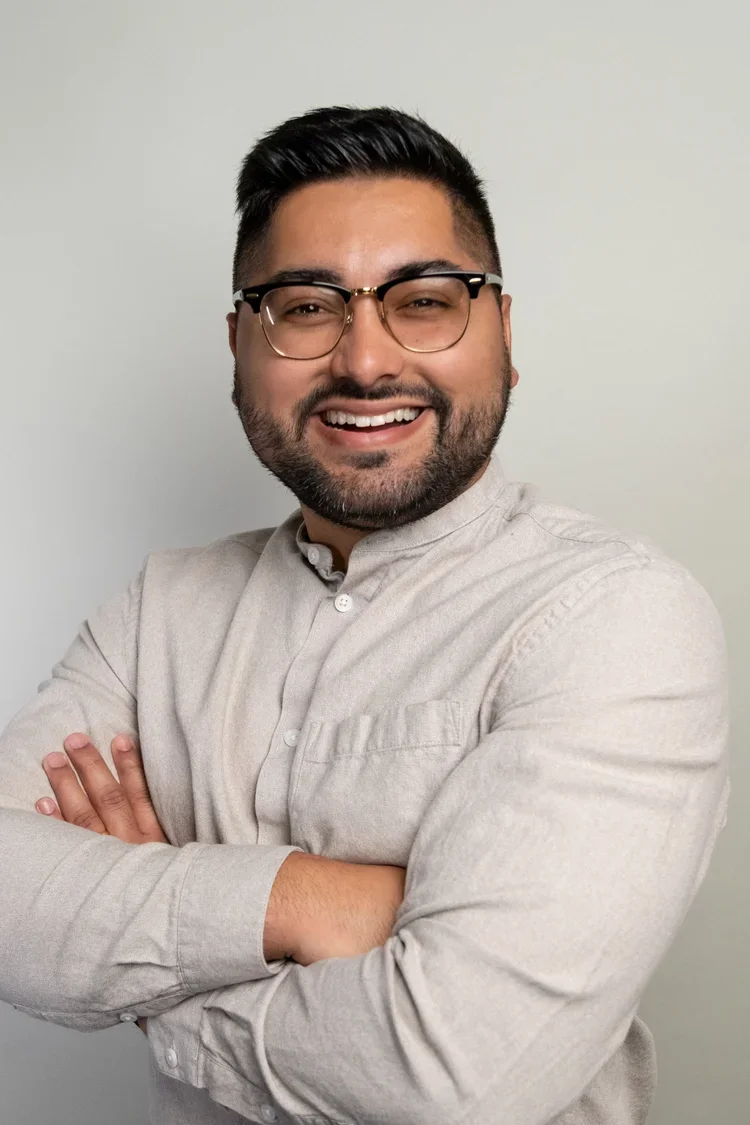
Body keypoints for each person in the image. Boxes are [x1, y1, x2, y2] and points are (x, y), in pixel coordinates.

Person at [0, 106, 729, 1125]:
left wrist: (148, 966)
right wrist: (305, 897)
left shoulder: (614, 618)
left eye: (424, 302)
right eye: (306, 307)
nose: (367, 361)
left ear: (504, 334)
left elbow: (452, 1080)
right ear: (239, 346)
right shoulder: (155, 611)